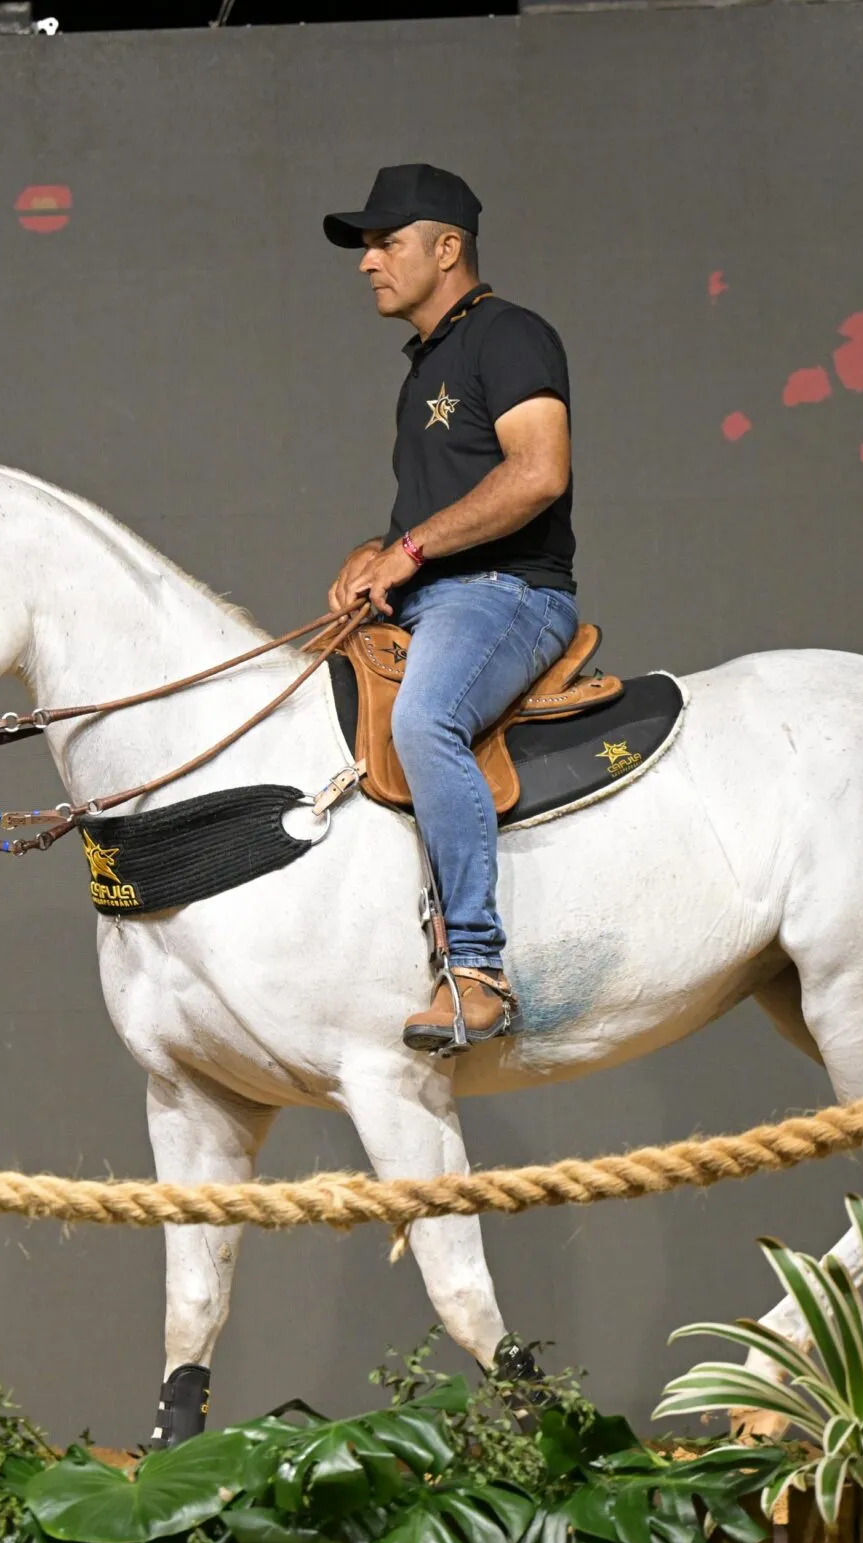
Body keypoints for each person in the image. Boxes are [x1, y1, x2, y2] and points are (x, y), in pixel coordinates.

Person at [323, 163, 579, 1053]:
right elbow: (438, 513)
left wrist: (412, 549)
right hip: (438, 598)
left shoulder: (509, 335)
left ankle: (474, 969)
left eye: (385, 242)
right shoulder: (428, 364)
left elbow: (539, 474)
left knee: (425, 719)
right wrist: (378, 549)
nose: (367, 262)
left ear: (446, 247)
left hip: (510, 595)